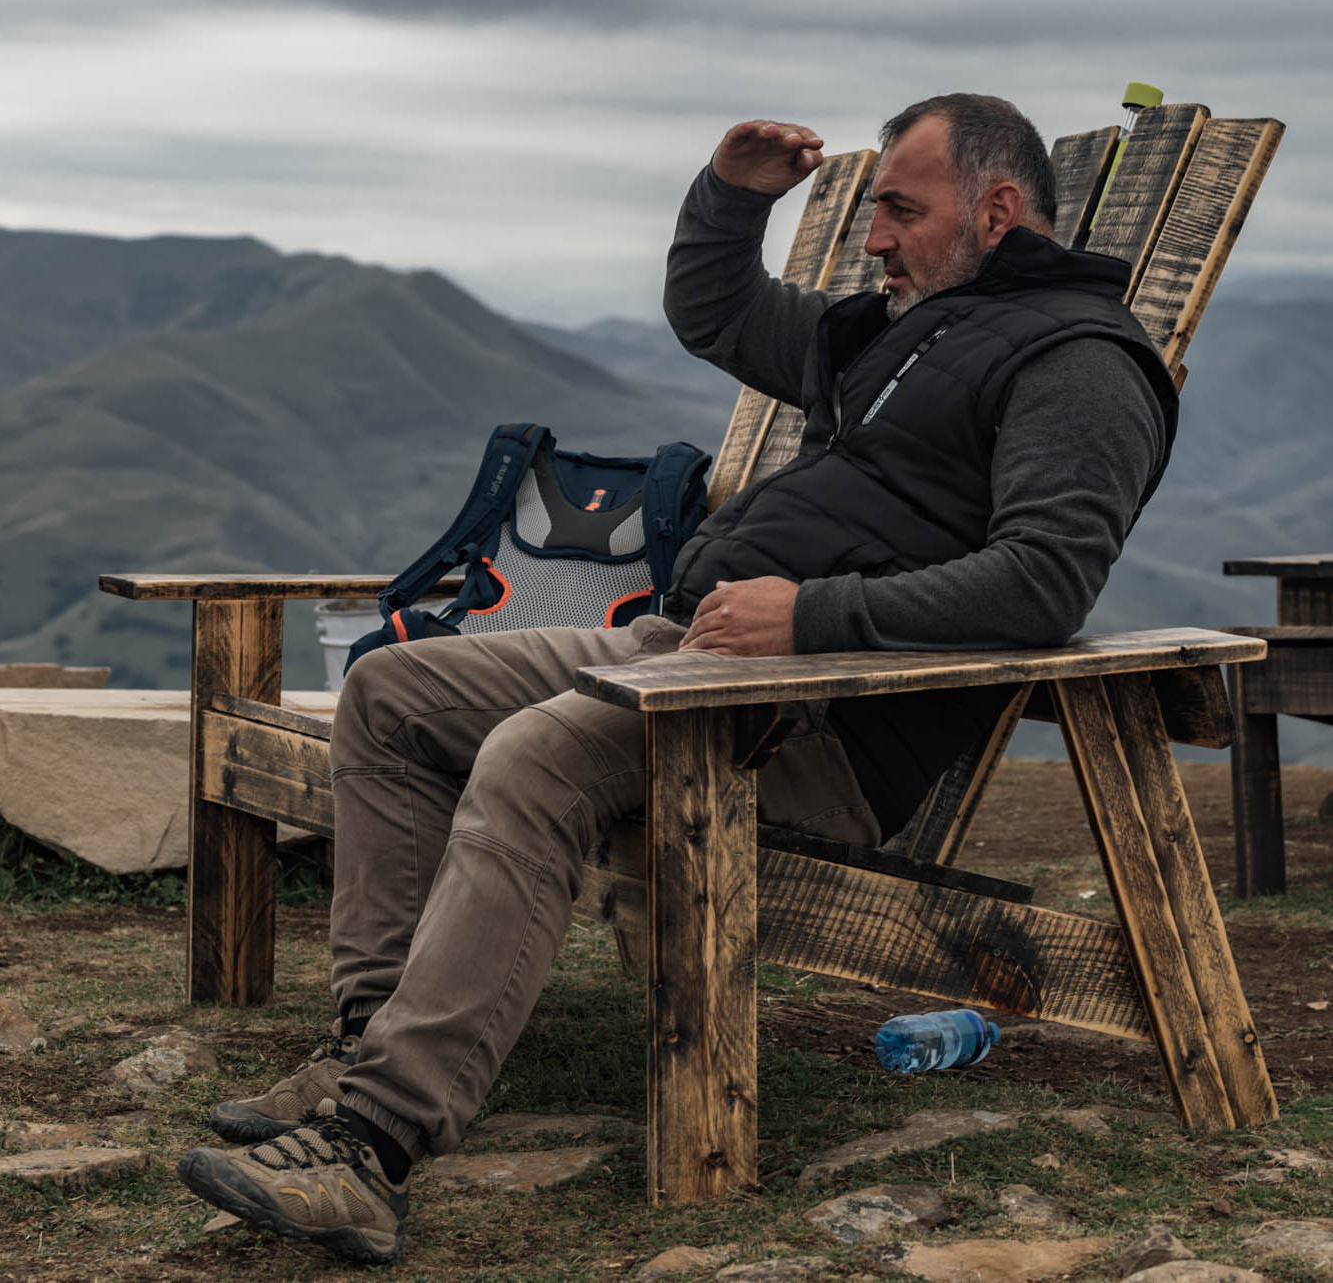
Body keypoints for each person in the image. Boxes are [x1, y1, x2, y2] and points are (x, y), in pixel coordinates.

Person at [177, 93, 1178, 1265]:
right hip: (691, 659)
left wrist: (810, 615)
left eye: (900, 211)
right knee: (391, 696)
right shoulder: (899, 332)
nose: (874, 239)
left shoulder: (1080, 362)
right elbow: (716, 310)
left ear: (997, 211)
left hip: (812, 724)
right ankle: (367, 1042)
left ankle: (372, 1147)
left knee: (536, 756)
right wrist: (732, 194)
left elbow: (1045, 583)